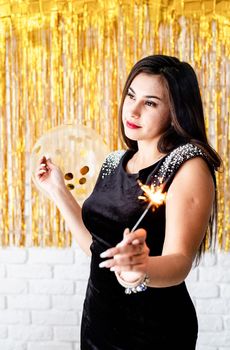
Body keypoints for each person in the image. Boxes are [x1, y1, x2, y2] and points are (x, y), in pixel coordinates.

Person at [36, 55, 221, 349]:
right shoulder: (114, 162)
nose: (132, 110)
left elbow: (180, 261)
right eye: (131, 96)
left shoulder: (188, 165)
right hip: (98, 324)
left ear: (175, 112)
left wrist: (139, 270)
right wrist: (58, 191)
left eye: (150, 103)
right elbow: (98, 250)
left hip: (152, 331)